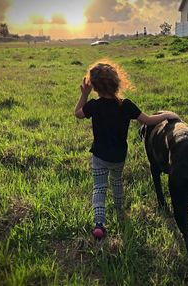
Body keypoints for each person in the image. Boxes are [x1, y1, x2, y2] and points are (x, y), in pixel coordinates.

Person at [74, 60, 179, 240]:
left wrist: (84, 94)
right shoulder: (126, 105)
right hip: (118, 157)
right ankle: (119, 208)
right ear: (117, 83)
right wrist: (167, 115)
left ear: (95, 87)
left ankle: (99, 224)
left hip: (99, 155)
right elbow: (147, 120)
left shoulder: (93, 105)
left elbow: (78, 113)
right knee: (117, 181)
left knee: (99, 187)